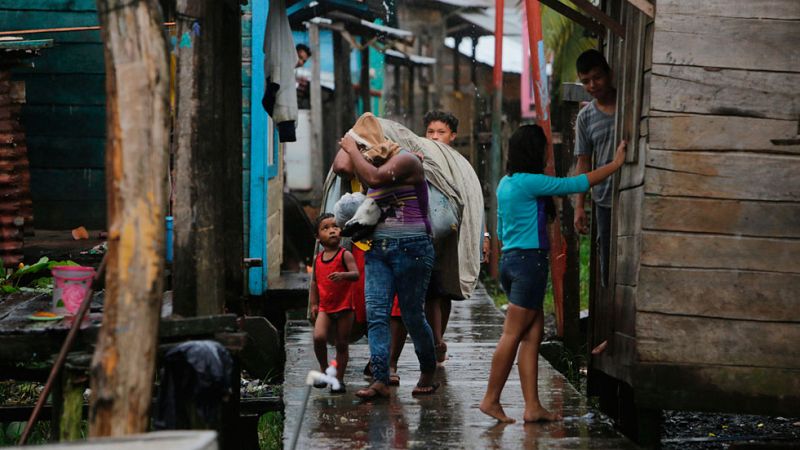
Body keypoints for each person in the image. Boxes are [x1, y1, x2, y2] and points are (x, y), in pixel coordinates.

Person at [479, 124, 626, 423]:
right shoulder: (530, 182)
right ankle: (491, 399)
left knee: (531, 336)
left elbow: (501, 227)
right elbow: (576, 184)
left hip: (510, 261)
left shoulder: (505, 183)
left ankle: (532, 406)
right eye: (544, 150)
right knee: (512, 334)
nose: (547, 155)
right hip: (528, 264)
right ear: (535, 152)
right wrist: (616, 164)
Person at [334, 113, 439, 399]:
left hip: (413, 248)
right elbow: (341, 165)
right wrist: (352, 144)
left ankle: (428, 370)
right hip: (378, 251)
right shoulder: (370, 160)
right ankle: (380, 377)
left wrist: (354, 149)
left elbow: (374, 178)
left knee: (412, 314)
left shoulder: (407, 161)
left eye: (363, 148)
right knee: (376, 314)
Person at [387, 110, 489, 381]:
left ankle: (437, 340)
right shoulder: (418, 159)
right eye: (430, 132)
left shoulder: (459, 165)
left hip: (451, 236)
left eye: (440, 132)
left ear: (452, 136)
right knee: (430, 290)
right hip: (424, 234)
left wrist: (483, 237)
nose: (434, 137)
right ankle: (436, 341)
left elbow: (473, 198)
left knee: (444, 290)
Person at [573, 49, 617, 288]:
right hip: (603, 199)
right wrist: (580, 206)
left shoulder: (629, 105)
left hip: (634, 193)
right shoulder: (585, 117)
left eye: (597, 77)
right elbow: (584, 162)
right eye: (585, 81)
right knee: (607, 259)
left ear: (609, 74)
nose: (592, 85)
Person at [309, 213, 359, 394]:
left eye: (335, 227)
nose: (332, 231)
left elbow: (356, 274)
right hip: (325, 307)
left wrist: (343, 275)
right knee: (319, 337)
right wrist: (314, 304)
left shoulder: (344, 255)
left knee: (341, 344)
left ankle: (338, 379)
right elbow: (314, 282)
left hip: (345, 307)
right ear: (317, 237)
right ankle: (324, 369)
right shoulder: (318, 259)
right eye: (326, 228)